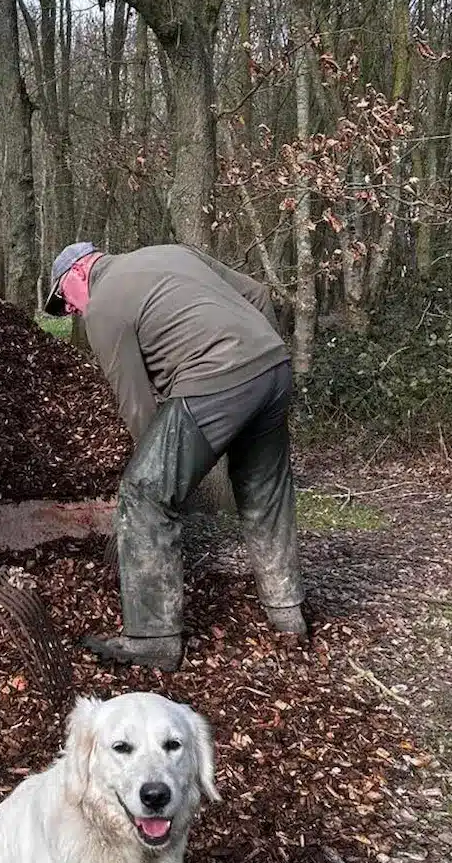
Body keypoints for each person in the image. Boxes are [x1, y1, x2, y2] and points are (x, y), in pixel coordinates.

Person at [43, 240, 307, 672]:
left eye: (63, 299)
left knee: (144, 492)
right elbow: (257, 293)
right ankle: (287, 612)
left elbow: (136, 405)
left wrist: (158, 475)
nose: (69, 310)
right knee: (264, 491)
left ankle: (153, 639)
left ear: (77, 272)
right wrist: (258, 356)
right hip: (273, 367)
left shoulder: (103, 306)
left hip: (214, 377)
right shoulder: (170, 253)